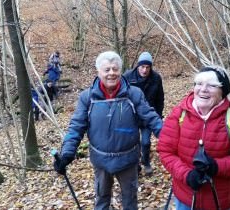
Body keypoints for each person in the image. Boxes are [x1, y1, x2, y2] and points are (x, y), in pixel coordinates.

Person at [53, 51, 163, 209]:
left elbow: (152, 119)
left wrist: (173, 141)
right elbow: (76, 126)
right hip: (101, 161)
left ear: (120, 70)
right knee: (102, 199)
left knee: (130, 199)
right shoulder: (87, 97)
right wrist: (66, 153)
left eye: (115, 69)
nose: (112, 73)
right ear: (98, 72)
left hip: (128, 160)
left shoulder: (134, 94)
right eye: (107, 70)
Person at [157, 65, 230, 210]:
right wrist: (187, 175)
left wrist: (216, 166)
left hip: (220, 201)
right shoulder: (179, 114)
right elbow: (165, 152)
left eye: (211, 85)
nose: (203, 89)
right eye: (199, 83)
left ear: (222, 91)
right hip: (185, 198)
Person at [123, 51, 164, 176]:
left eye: (147, 67)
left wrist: (158, 115)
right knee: (133, 143)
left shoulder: (156, 78)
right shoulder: (128, 76)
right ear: (137, 66)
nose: (145, 70)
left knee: (145, 142)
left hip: (148, 116)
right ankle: (135, 165)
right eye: (142, 67)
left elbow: (160, 98)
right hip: (132, 116)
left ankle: (146, 162)